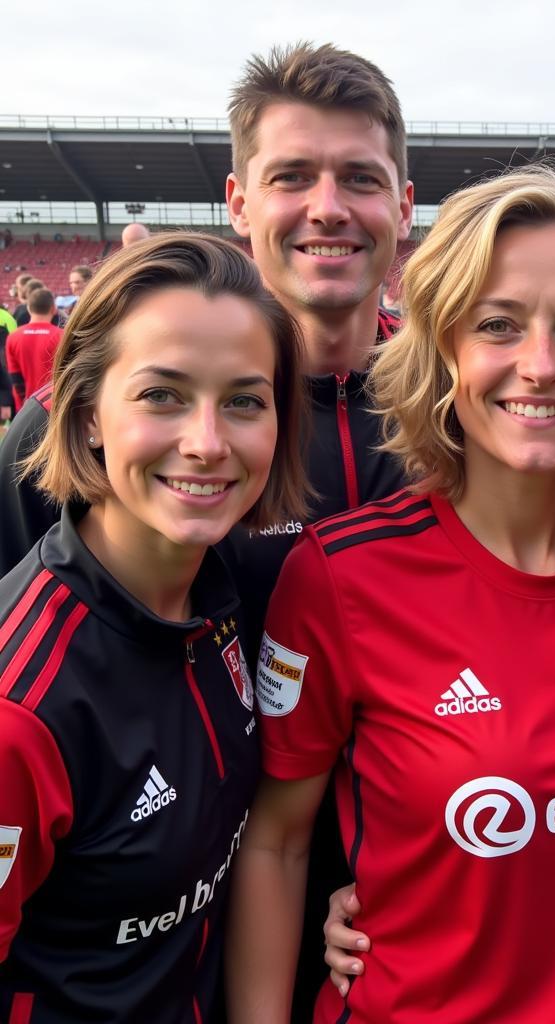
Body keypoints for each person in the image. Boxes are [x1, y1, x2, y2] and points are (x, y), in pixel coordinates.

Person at [227, 167, 555, 1024]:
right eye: (498, 325)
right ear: (442, 346)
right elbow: (277, 839)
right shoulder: (341, 576)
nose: (542, 365)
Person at [0, 233, 309, 1022]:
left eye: (244, 399)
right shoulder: (18, 711)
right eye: (161, 395)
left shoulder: (220, 598)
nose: (207, 443)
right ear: (88, 412)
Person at [5, 287, 61, 410]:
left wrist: (25, 401)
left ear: (29, 309)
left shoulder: (13, 337)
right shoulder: (61, 336)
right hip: (55, 404)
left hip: (26, 407)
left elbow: (15, 377)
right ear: (53, 309)